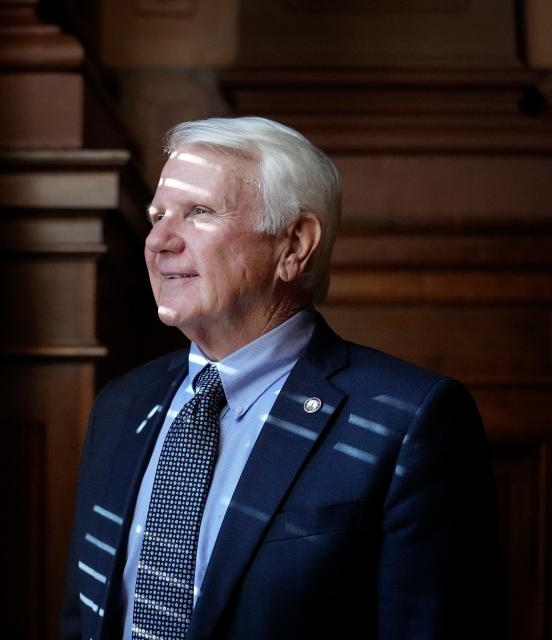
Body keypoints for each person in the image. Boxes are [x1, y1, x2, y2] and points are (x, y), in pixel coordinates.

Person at [59, 116, 502, 640]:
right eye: (158, 216)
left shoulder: (411, 419)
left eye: (199, 212)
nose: (159, 241)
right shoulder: (121, 404)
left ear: (295, 243)